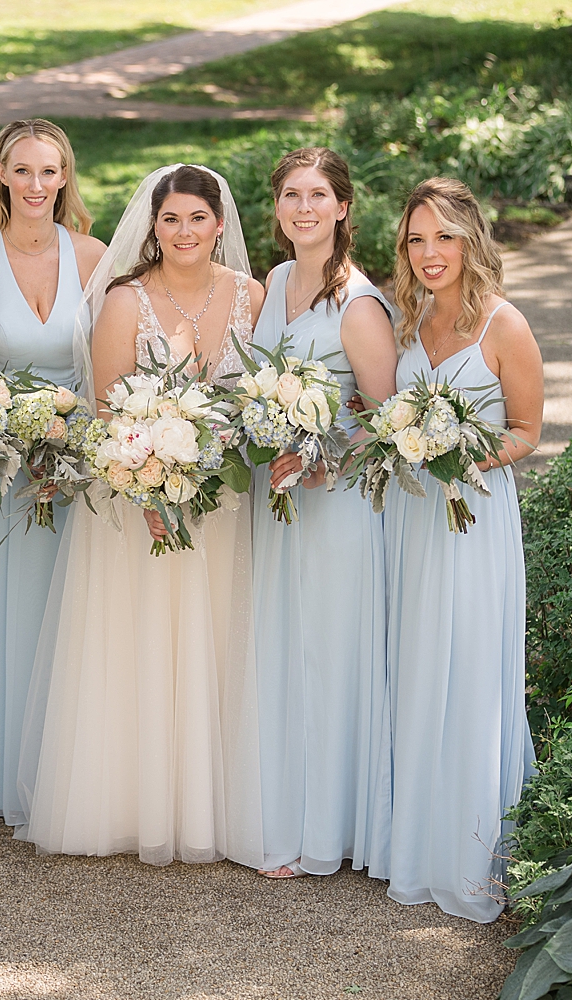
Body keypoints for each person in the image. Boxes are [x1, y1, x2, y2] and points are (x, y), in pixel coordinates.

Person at [16, 164, 267, 867]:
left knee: (216, 643)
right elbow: (102, 415)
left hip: (224, 510)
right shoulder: (127, 301)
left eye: (196, 218)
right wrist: (149, 489)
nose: (183, 232)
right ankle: (136, 804)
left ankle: (212, 806)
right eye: (170, 220)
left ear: (221, 223)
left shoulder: (252, 294)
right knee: (145, 644)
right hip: (139, 510)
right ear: (152, 229)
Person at [374, 177, 542, 922]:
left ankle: (472, 853)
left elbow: (528, 432)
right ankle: (412, 842)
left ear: (471, 239)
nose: (430, 252)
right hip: (412, 520)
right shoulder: (405, 321)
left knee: (468, 668)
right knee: (414, 665)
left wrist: (464, 453)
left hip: (471, 516)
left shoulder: (505, 326)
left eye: (443, 236)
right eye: (416, 239)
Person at [0, 120, 107, 828]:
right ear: (2, 176)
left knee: (68, 610)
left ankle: (67, 772)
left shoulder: (96, 256)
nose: (37, 185)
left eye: (50, 171)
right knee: (9, 611)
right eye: (24, 171)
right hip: (4, 467)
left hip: (75, 466)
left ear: (66, 177)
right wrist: (12, 430)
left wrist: (77, 442)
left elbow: (106, 367)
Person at [250, 148, 398, 880]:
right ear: (276, 207)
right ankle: (286, 811)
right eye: (290, 195)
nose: (303, 208)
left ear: (343, 208)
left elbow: (387, 419)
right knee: (284, 648)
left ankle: (332, 830)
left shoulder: (359, 305)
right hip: (276, 499)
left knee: (329, 655)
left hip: (335, 507)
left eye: (318, 195)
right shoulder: (274, 281)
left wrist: (323, 457)